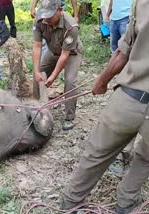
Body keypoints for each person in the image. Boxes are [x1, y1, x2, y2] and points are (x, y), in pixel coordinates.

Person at [61, 0, 149, 213]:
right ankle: (126, 201)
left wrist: (102, 81)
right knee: (146, 158)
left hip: (129, 99)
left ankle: (70, 202)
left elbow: (122, 52)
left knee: (96, 153)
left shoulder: (142, 4)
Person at [32, 0, 83, 131]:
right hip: (53, 51)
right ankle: (37, 109)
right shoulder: (40, 20)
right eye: (44, 16)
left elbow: (65, 55)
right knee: (38, 75)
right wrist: (37, 71)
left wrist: (53, 76)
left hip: (71, 53)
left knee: (70, 81)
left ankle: (69, 117)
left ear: (60, 10)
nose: (46, 19)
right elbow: (37, 46)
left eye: (49, 16)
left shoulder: (71, 26)